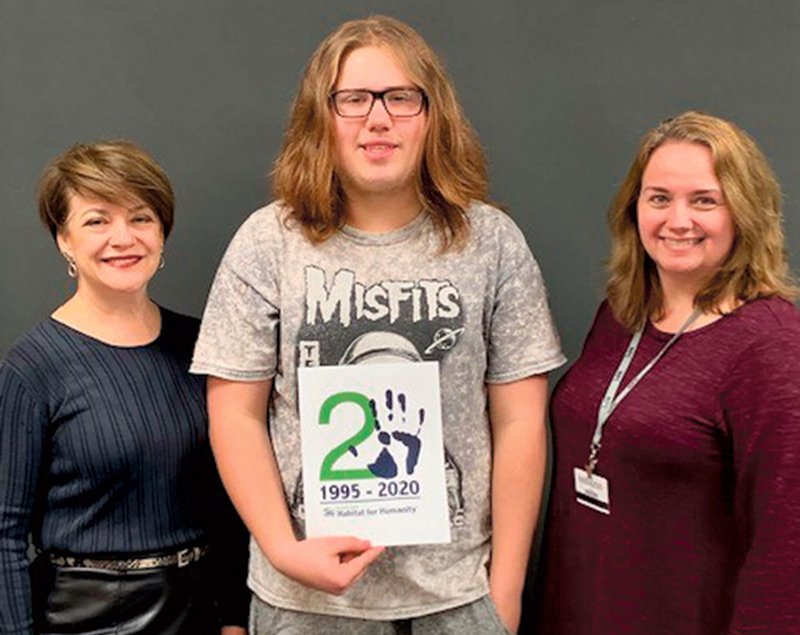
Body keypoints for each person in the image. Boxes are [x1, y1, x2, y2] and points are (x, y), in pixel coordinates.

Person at [191, 15, 565, 635]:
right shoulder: (268, 242)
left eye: (401, 97)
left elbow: (521, 419)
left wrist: (506, 588)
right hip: (306, 603)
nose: (379, 118)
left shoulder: (490, 242)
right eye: (353, 99)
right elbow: (234, 412)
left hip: (460, 598)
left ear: (431, 113)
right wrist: (285, 550)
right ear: (322, 116)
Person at [535, 111, 800, 634]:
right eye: (659, 198)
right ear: (634, 209)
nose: (678, 220)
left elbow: (787, 539)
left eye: (704, 200)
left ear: (744, 213)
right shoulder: (621, 313)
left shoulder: (770, 344)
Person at [0, 141, 248, 634]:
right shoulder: (32, 368)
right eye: (97, 220)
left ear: (162, 233)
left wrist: (236, 619)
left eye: (141, 218)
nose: (123, 237)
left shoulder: (203, 346)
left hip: (198, 610)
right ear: (63, 239)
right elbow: (3, 535)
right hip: (85, 618)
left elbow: (229, 505)